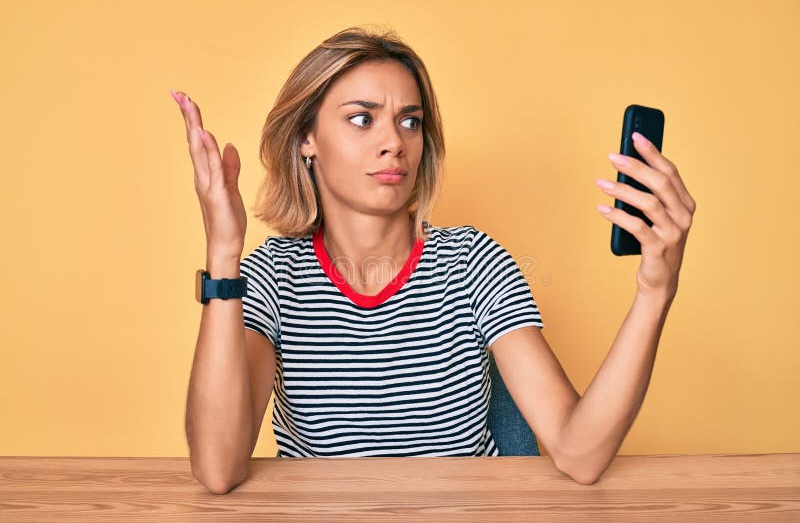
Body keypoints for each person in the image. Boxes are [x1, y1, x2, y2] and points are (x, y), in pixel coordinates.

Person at [175, 26, 696, 494]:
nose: (393, 143)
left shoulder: (474, 262)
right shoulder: (273, 276)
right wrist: (224, 255)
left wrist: (654, 293)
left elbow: (580, 454)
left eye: (409, 121)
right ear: (307, 139)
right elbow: (219, 469)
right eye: (362, 119)